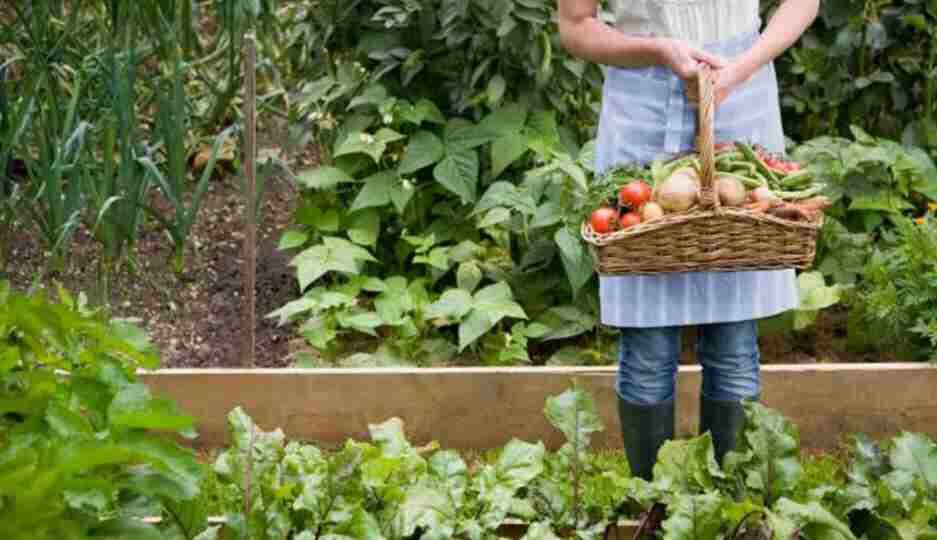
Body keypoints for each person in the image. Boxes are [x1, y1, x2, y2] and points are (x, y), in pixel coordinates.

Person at [557, 0, 819, 480]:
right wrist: (656, 49)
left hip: (740, 99)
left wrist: (740, 69)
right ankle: (653, 507)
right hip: (644, 107)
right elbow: (576, 27)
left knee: (735, 343)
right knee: (648, 346)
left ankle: (730, 510)